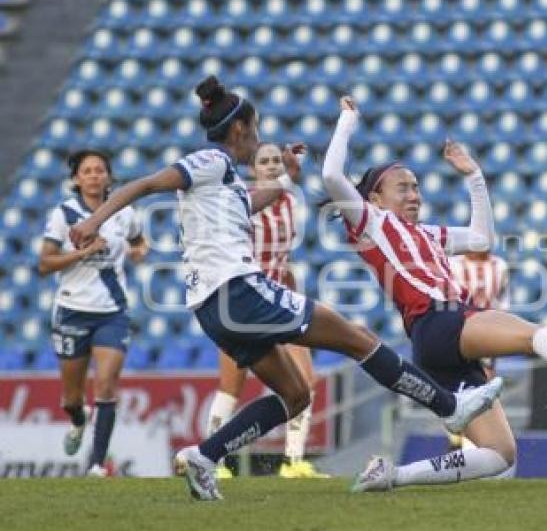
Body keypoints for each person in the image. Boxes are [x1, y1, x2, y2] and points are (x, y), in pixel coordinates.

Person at [68, 76, 503, 500]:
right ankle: (450, 407)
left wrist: (286, 179)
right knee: (357, 338)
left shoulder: (225, 183)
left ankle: (205, 456)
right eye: (255, 131)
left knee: (295, 395)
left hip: (213, 309)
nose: (258, 141)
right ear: (239, 129)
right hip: (237, 291)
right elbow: (146, 184)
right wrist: (93, 221)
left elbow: (254, 200)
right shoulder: (212, 161)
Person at [319, 97, 547, 492]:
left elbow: (482, 238)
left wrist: (474, 176)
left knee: (499, 453)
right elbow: (330, 174)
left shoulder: (428, 234)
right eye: (402, 187)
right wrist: (348, 119)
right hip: (442, 320)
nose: (414, 194)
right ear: (374, 198)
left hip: (434, 344)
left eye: (416, 187)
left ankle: (393, 475)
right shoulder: (371, 222)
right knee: (534, 334)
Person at [207, 141, 328, 479]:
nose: (273, 166)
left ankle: (293, 462)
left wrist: (290, 286)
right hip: (242, 304)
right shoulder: (242, 201)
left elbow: (281, 260)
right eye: (266, 161)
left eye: (277, 160)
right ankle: (212, 461)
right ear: (252, 169)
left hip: (277, 301)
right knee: (231, 387)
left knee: (306, 379)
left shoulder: (290, 203)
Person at [38, 149, 148, 476]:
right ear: (76, 178)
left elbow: (139, 241)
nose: (94, 175)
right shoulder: (64, 213)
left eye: (100, 170)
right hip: (72, 310)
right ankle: (78, 419)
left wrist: (139, 251)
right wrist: (83, 252)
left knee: (106, 384)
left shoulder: (124, 212)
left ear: (109, 176)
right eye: (86, 171)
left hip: (112, 311)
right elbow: (45, 264)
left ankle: (98, 465)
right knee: (71, 399)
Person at [445, 250, 509, 450]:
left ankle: (481, 440)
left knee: (484, 382)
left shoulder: (500, 266)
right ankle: (458, 438)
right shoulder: (453, 263)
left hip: (488, 331)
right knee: (457, 383)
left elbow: (503, 304)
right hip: (460, 328)